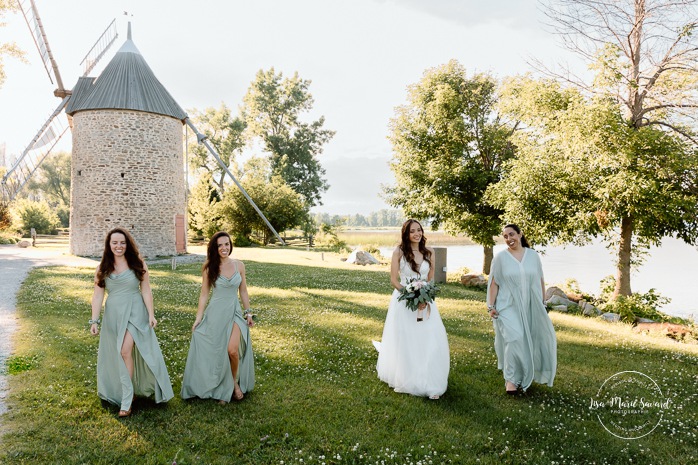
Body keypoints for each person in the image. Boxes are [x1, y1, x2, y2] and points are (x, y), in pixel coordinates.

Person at [89, 228, 174, 417]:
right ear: (109, 245)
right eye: (115, 243)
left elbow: (146, 290)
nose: (119, 246)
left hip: (136, 313)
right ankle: (130, 392)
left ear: (128, 244)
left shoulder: (138, 263)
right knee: (121, 354)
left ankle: (126, 400)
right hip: (114, 315)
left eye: (122, 242)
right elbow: (97, 296)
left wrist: (151, 314)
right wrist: (94, 320)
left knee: (125, 350)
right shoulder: (103, 267)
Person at [375, 219, 450, 399]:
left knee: (429, 338)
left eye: (419, 230)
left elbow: (429, 278)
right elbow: (394, 280)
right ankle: (409, 377)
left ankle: (431, 381)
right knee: (407, 339)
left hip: (425, 301)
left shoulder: (429, 251)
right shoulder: (399, 252)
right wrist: (411, 296)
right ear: (406, 234)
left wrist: (424, 295)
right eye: (412, 231)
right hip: (404, 301)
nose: (417, 234)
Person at [181, 231, 255, 404]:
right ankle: (230, 384)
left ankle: (233, 382)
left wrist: (248, 312)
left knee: (232, 350)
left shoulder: (239, 265)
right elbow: (204, 294)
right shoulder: (209, 267)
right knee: (218, 352)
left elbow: (243, 291)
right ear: (215, 248)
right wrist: (198, 318)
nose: (224, 248)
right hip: (215, 313)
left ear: (231, 245)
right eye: (220, 245)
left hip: (235, 312)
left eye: (227, 244)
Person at [486, 223, 557, 395]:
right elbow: (494, 283)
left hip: (530, 304)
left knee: (530, 340)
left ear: (520, 234)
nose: (509, 239)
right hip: (507, 305)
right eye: (505, 236)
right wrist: (490, 306)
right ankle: (511, 380)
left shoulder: (533, 256)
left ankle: (525, 374)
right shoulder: (501, 258)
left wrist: (542, 302)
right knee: (514, 337)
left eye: (512, 234)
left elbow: (540, 279)